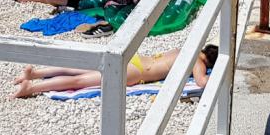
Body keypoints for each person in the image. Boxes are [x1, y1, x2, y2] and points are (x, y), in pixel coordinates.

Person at [11, 46, 217, 98]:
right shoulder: (197, 61)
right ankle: (32, 87)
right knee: (82, 80)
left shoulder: (187, 49)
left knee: (81, 68)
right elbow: (202, 82)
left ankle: (35, 73)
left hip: (136, 58)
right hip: (138, 71)